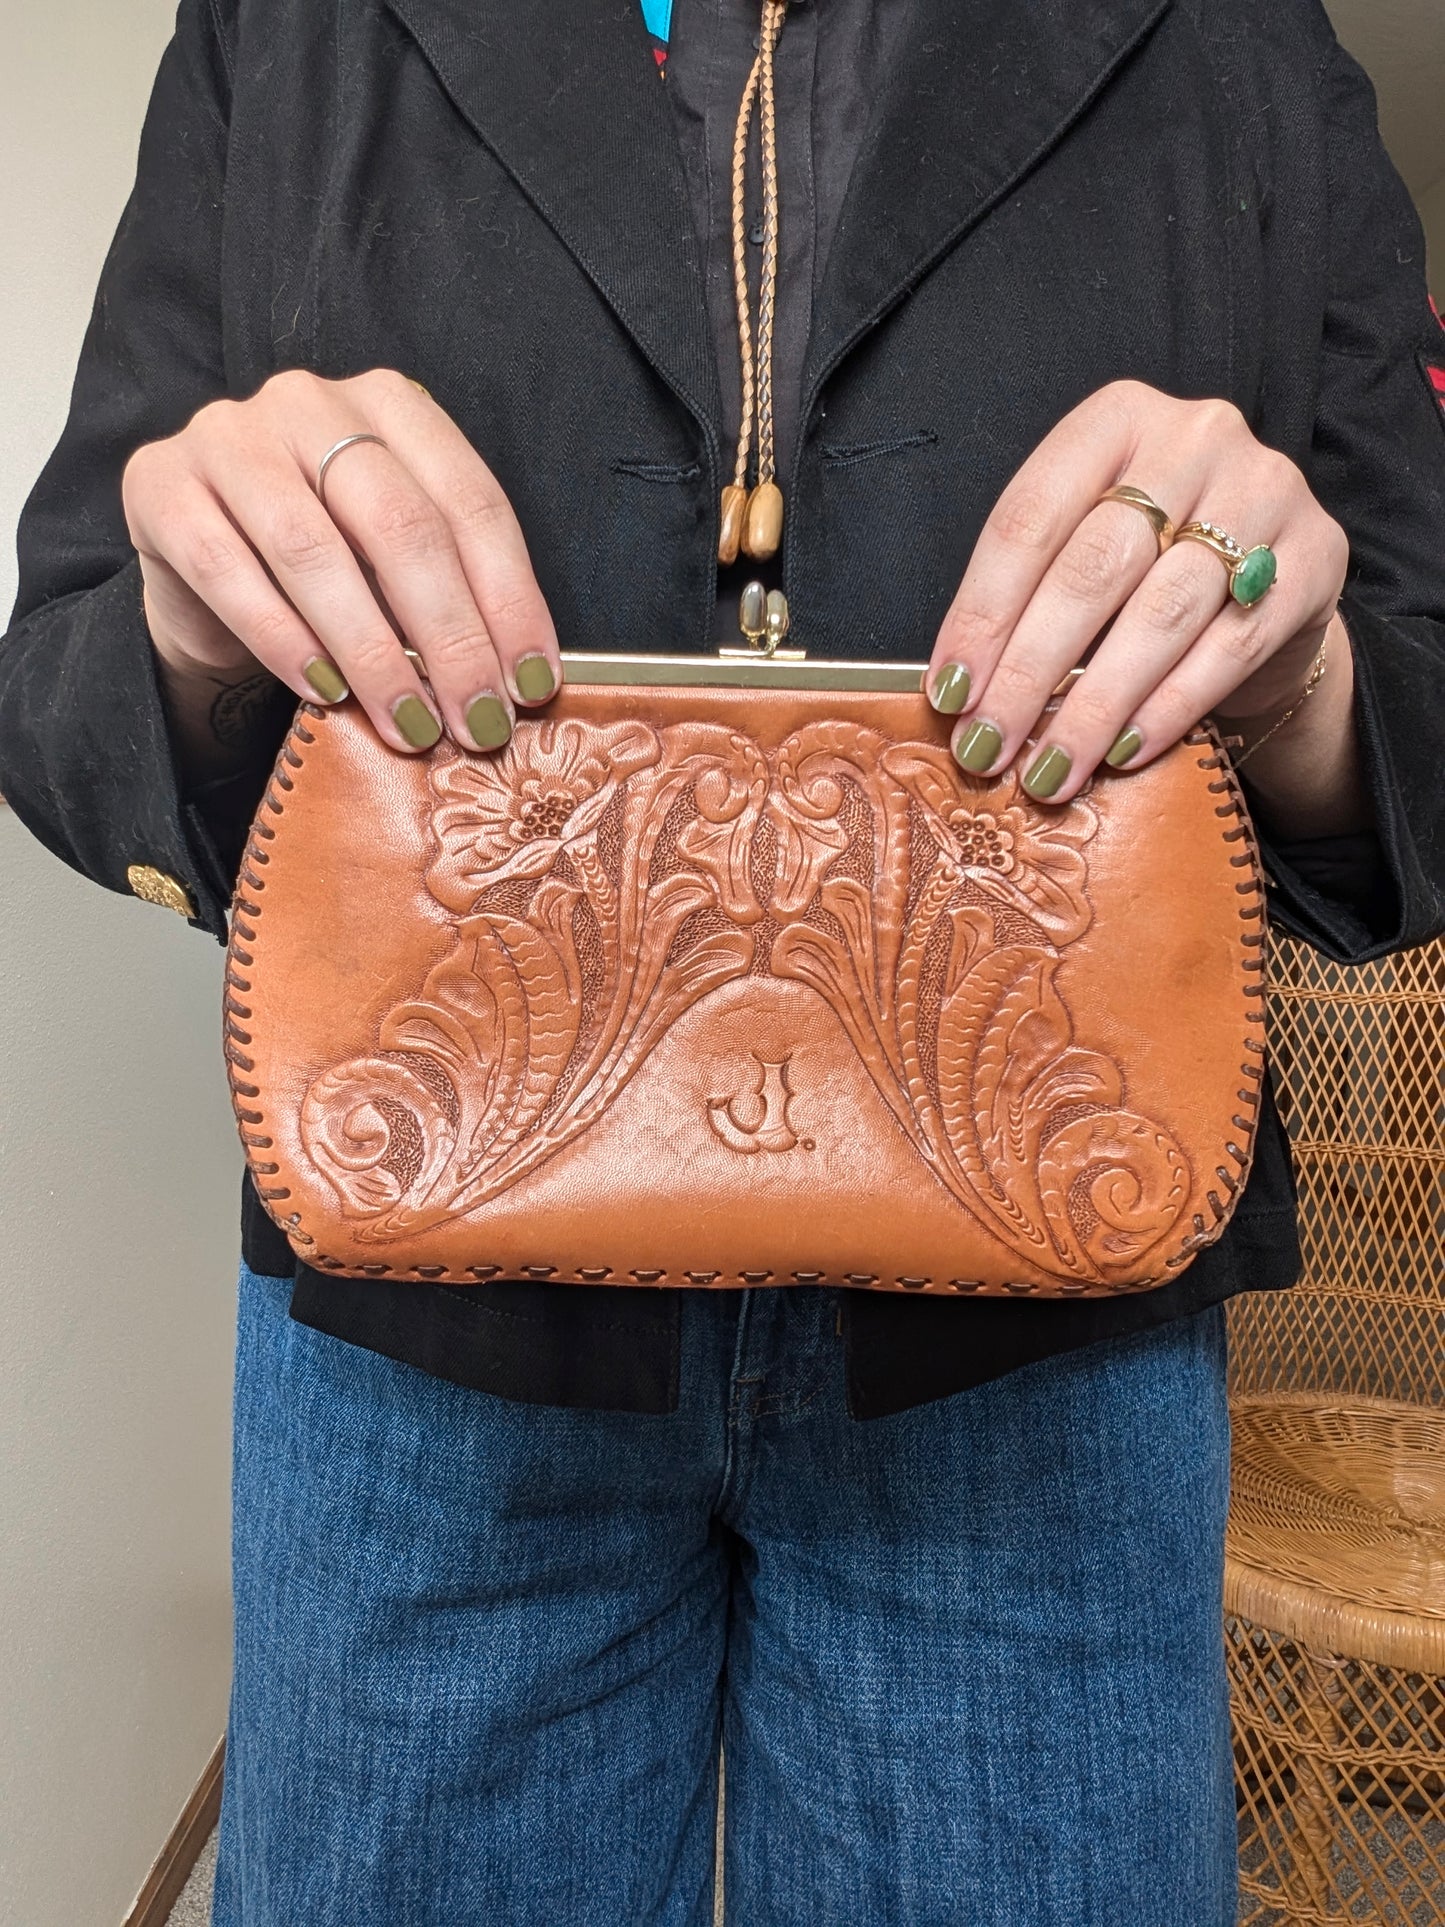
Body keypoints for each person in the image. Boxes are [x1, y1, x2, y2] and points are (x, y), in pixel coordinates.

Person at [3, 0, 1444, 1919]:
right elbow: (57, 685)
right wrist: (186, 621)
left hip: (1044, 1340)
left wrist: (1303, 665)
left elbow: (1418, 711)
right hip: (429, 1323)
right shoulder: (286, 24)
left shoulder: (1242, 37)